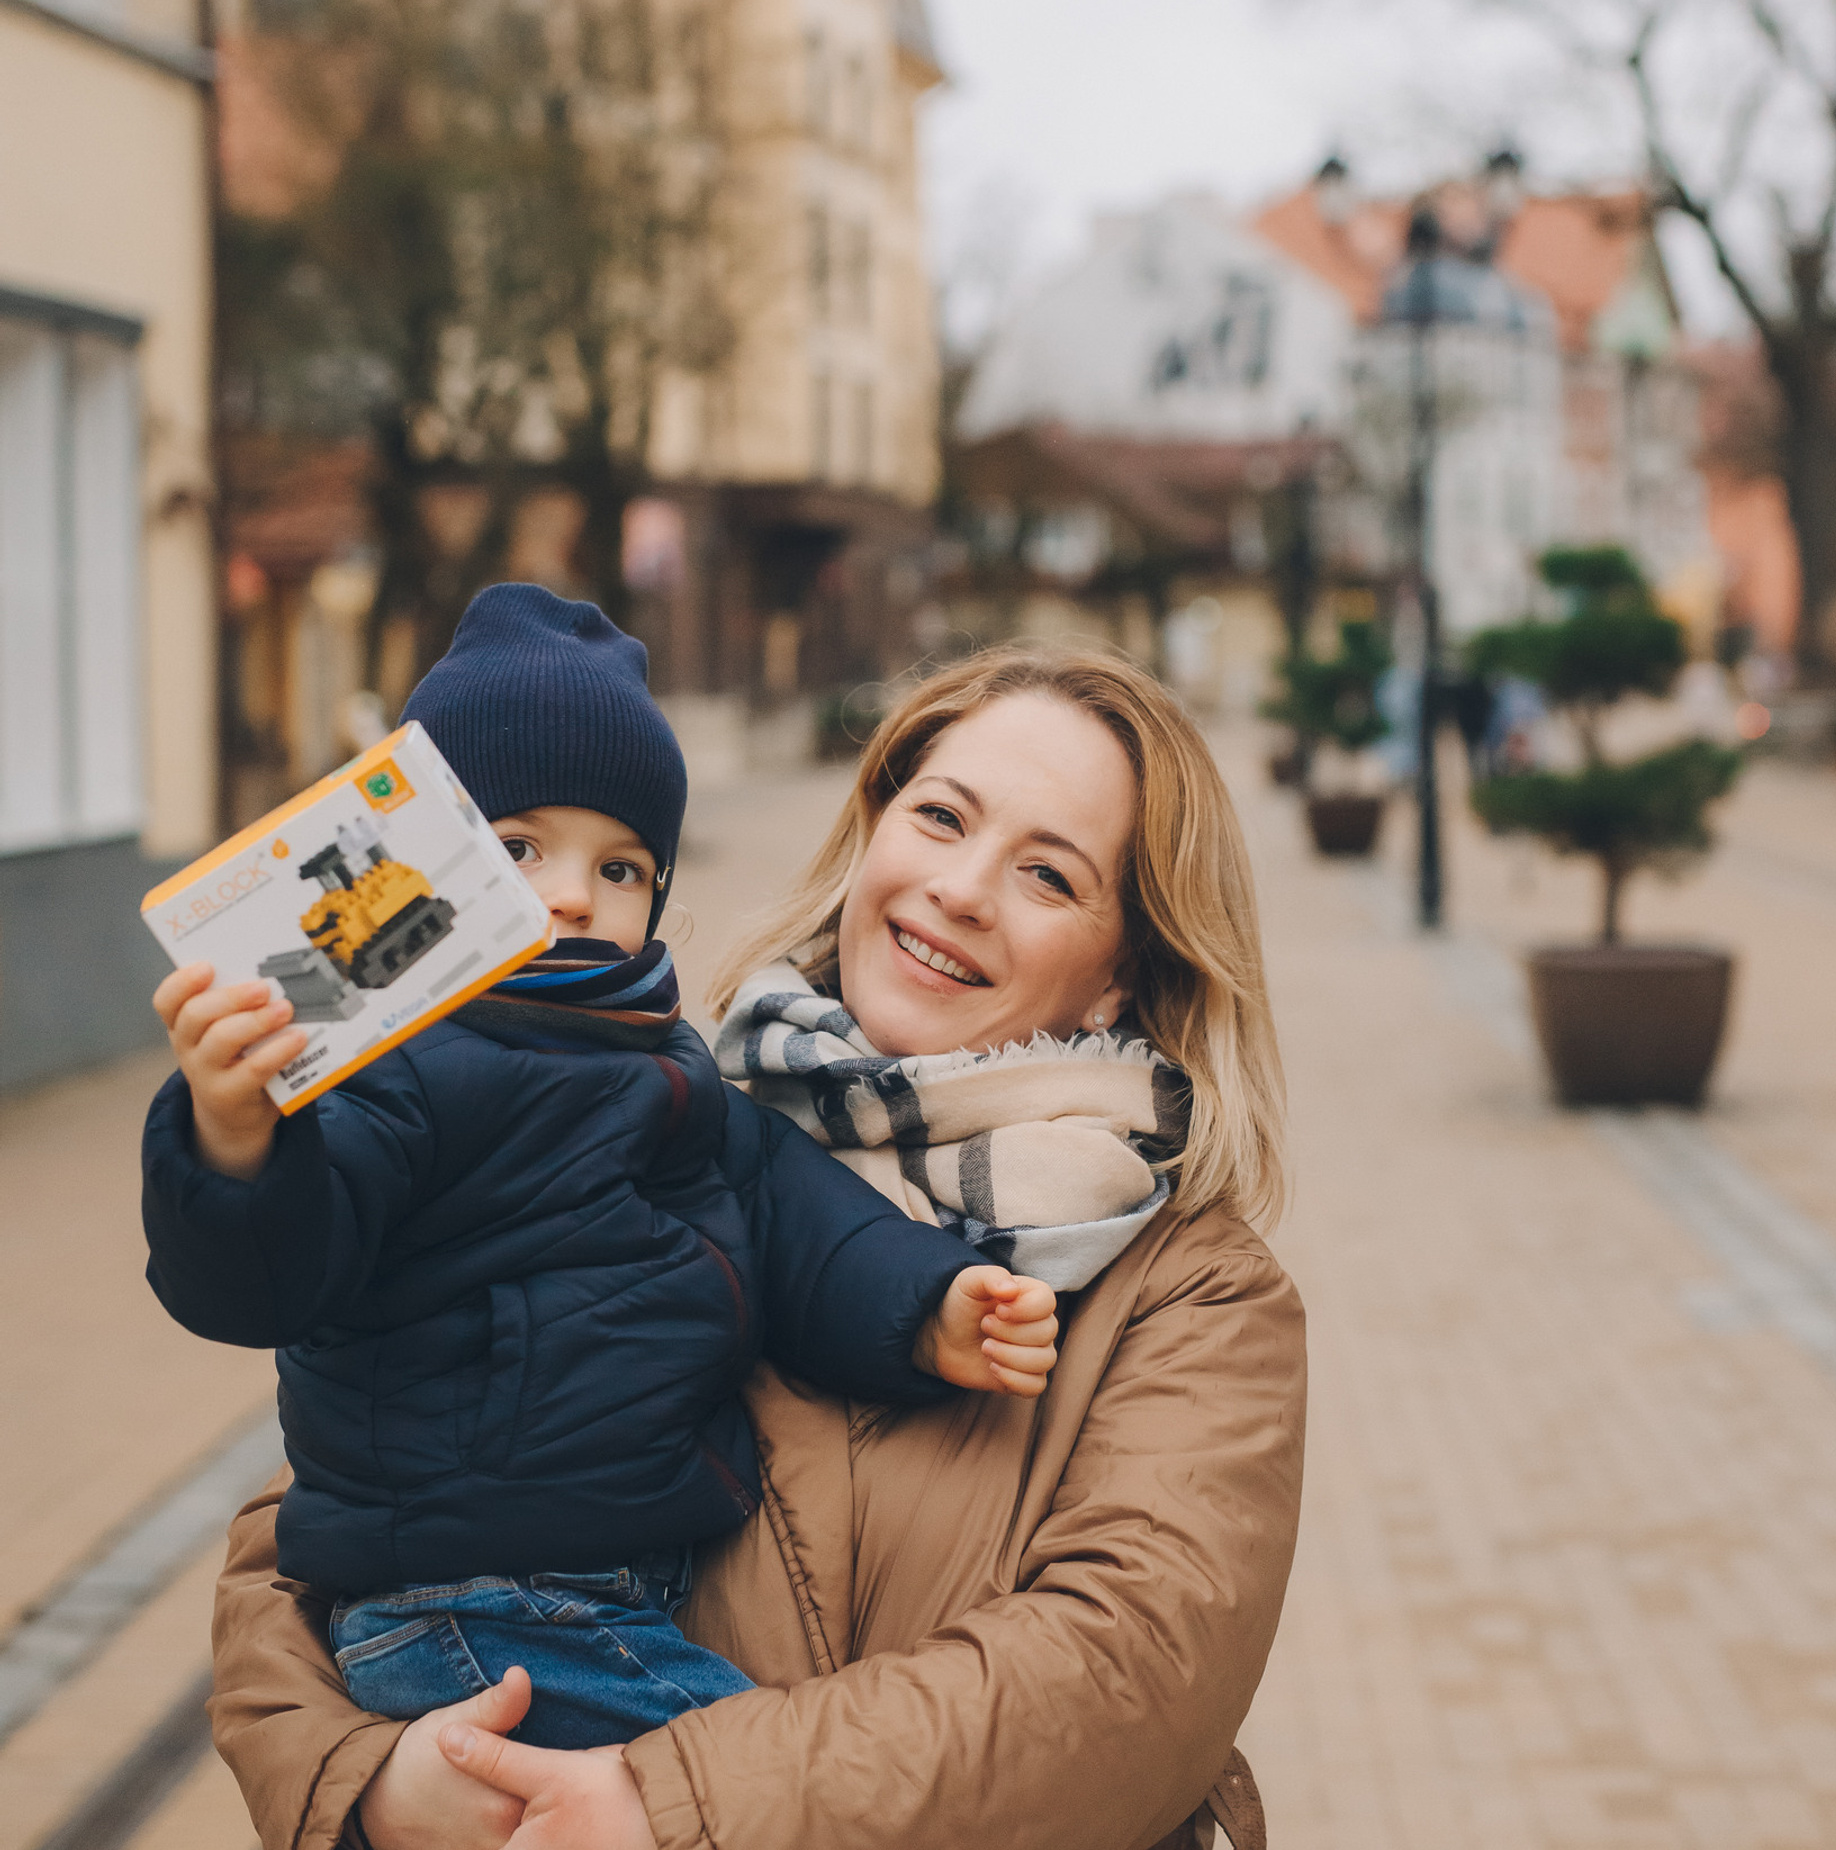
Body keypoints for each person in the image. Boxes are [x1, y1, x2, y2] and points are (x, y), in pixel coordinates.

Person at [206, 644, 1309, 1850]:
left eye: (1048, 875)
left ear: (1120, 977)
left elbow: (1124, 1680)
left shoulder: (1193, 1298)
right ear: (875, 831)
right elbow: (295, 1555)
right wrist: (376, 1792)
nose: (962, 888)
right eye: (941, 817)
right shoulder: (630, 1115)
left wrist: (670, 1809)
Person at [143, 588, 1059, 1750]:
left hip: (611, 1586)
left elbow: (791, 1211)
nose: (573, 894)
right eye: (516, 849)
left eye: (621, 869)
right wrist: (234, 1137)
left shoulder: (663, 1057)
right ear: (415, 871)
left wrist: (927, 1303)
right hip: (469, 1600)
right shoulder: (397, 1063)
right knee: (757, 1785)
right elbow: (270, 1276)